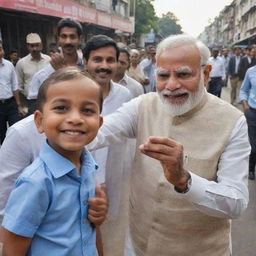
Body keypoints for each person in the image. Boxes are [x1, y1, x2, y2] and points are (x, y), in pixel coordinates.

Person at [89, 34, 250, 256]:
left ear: (206, 74)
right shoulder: (143, 106)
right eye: (164, 75)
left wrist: (184, 180)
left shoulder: (232, 121)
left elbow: (236, 203)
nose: (172, 85)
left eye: (183, 74)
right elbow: (97, 134)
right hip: (138, 246)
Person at [1, 67, 107, 256]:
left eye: (87, 110)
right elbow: (13, 245)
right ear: (39, 121)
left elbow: (89, 230)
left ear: (99, 123)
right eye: (61, 108)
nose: (75, 118)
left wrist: (97, 216)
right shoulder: (36, 182)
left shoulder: (88, 167)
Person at [83, 35, 133, 255]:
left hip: (111, 177)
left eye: (110, 60)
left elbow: (126, 141)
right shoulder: (73, 91)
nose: (104, 66)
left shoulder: (124, 95)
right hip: (76, 178)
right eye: (97, 60)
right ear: (85, 61)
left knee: (108, 235)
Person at [27, 18, 84, 112]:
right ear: (58, 39)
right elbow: (35, 109)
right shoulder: (42, 76)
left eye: (72, 36)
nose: (68, 41)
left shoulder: (89, 69)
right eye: (64, 36)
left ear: (80, 39)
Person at [15, 33, 51, 114]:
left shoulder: (48, 60)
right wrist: (21, 105)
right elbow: (18, 86)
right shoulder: (21, 63)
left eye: (37, 45)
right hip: (30, 102)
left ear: (41, 45)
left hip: (47, 100)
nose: (35, 48)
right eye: (32, 46)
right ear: (28, 47)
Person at [0, 41, 25, 144]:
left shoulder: (9, 65)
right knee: (1, 133)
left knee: (15, 129)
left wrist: (19, 105)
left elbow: (15, 85)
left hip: (11, 103)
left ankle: (16, 151)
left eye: (1, 49)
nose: (1, 52)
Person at [240, 65, 256, 180]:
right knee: (254, 146)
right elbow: (244, 90)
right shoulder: (251, 71)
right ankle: (251, 169)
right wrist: (245, 105)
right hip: (252, 113)